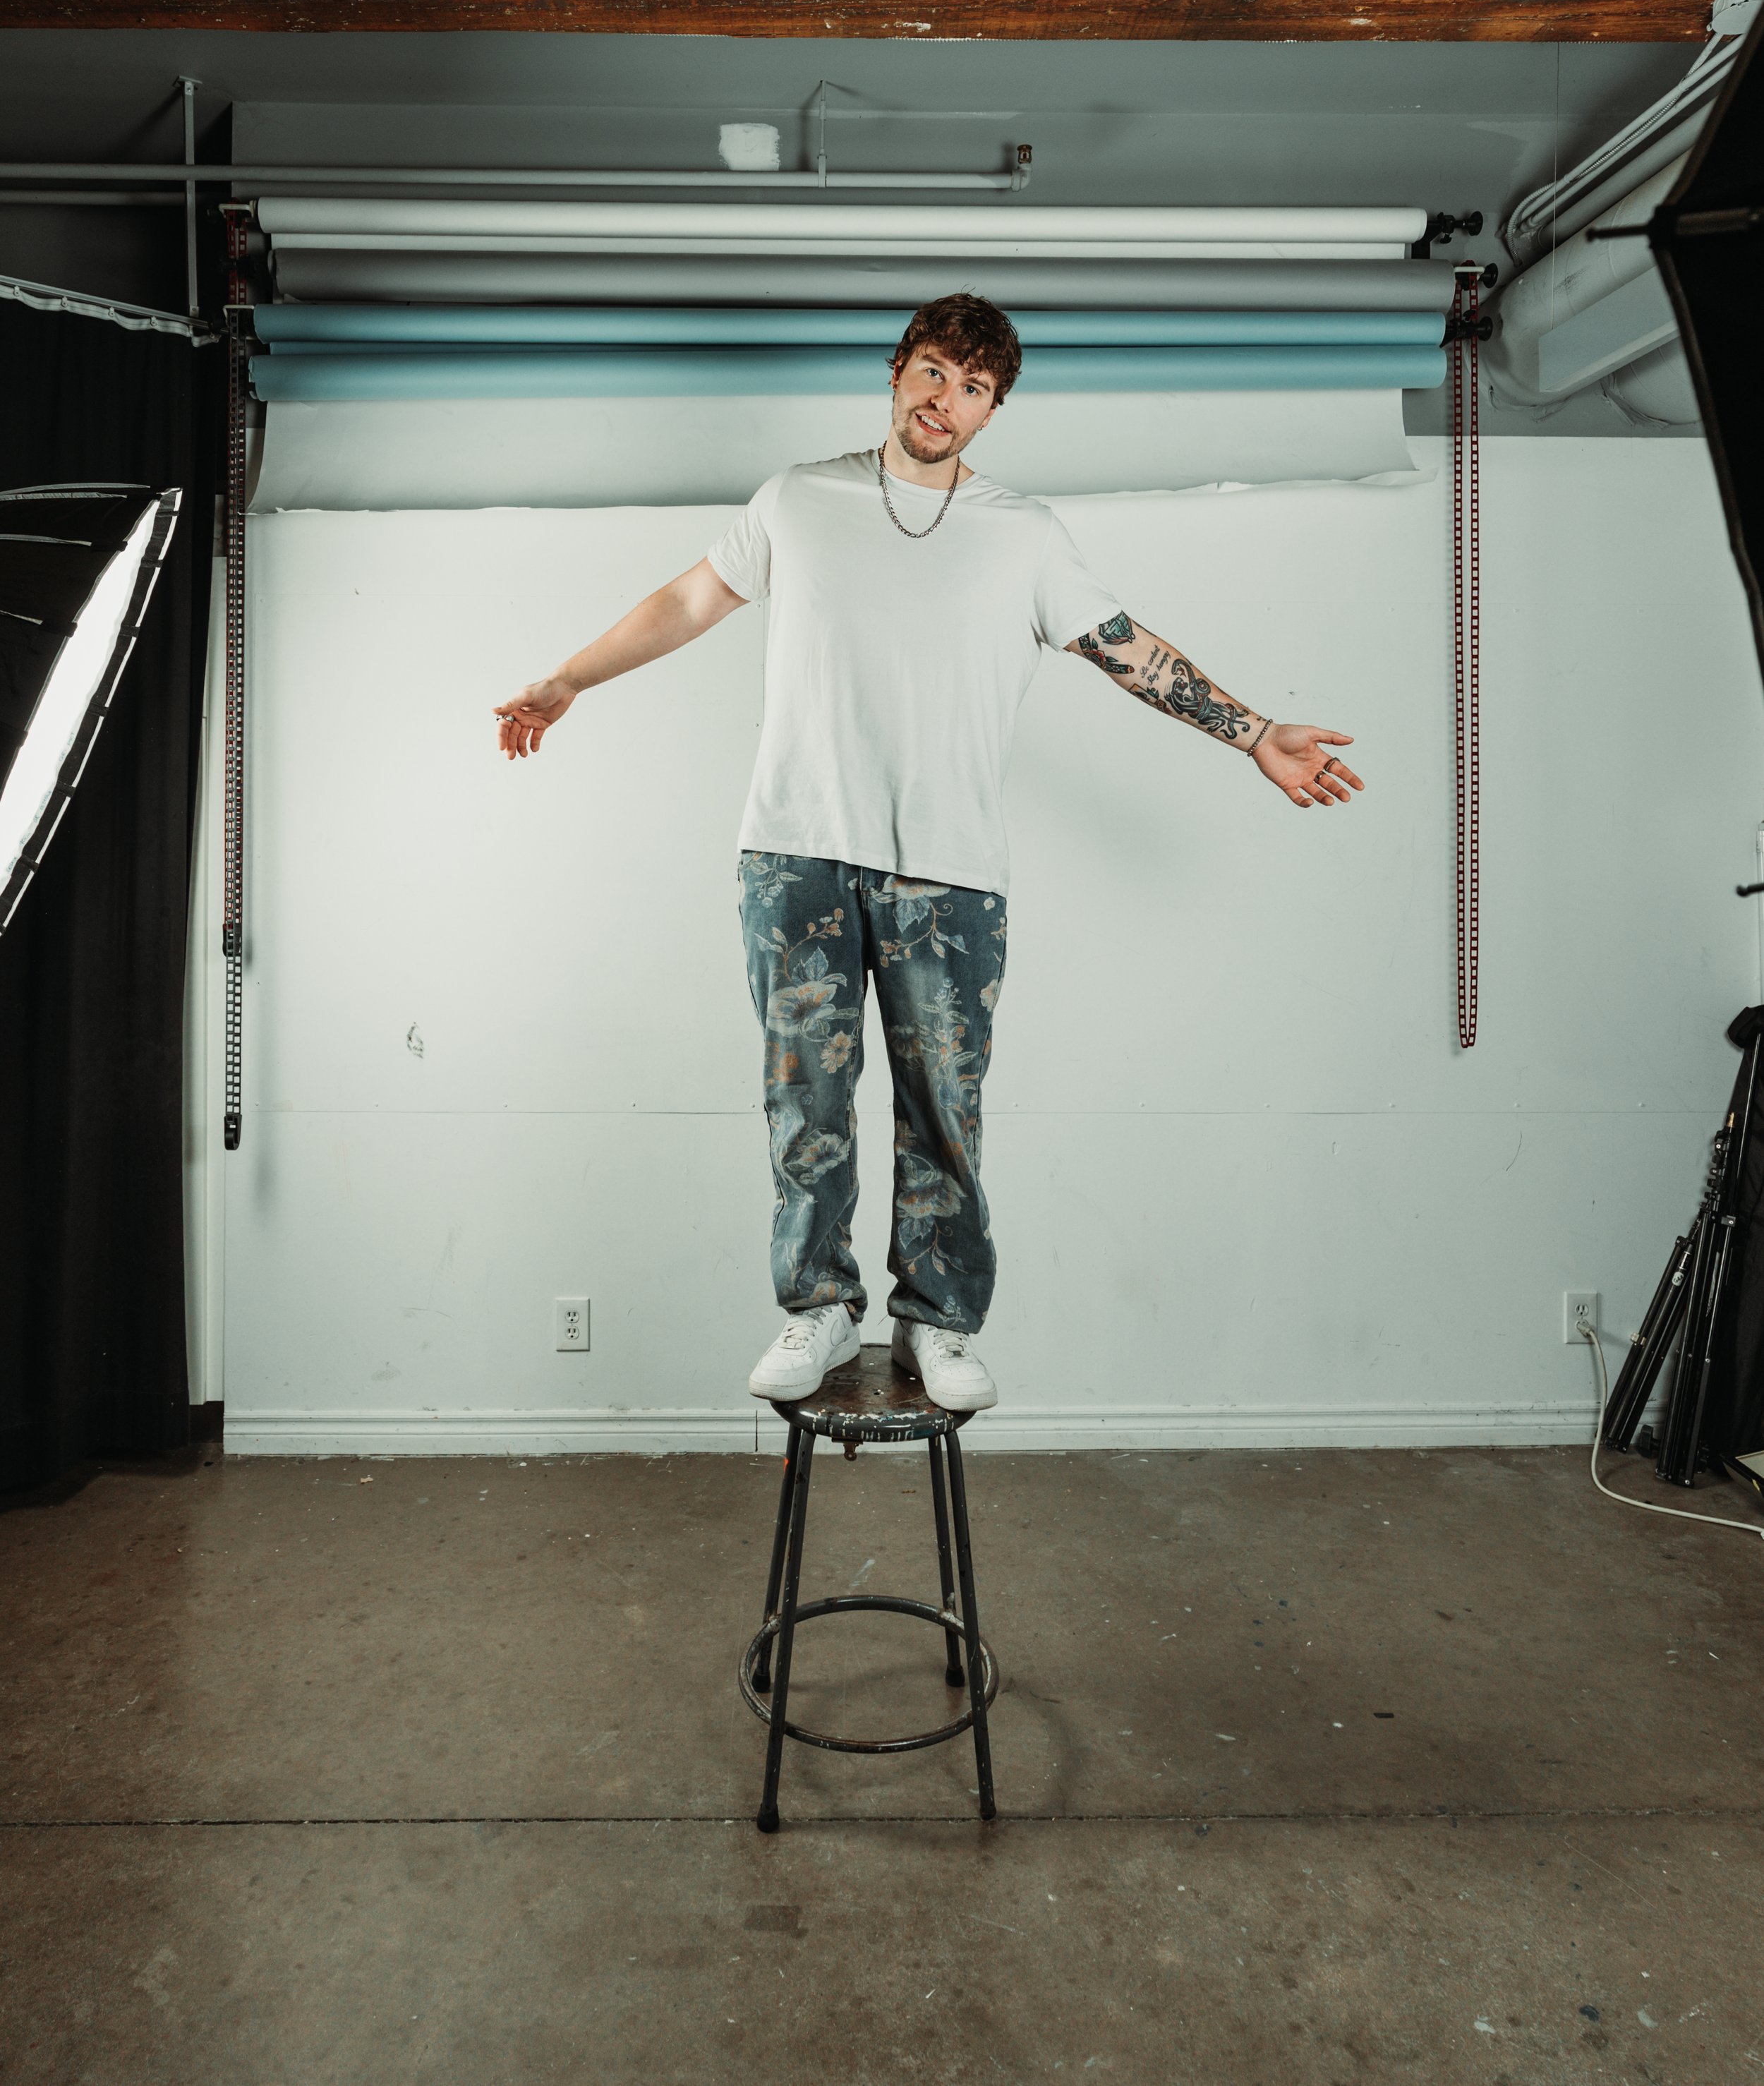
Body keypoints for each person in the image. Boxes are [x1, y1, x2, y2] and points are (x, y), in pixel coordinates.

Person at [493, 294, 1364, 1414]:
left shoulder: (1026, 534)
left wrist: (1254, 731)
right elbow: (690, 597)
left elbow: (1126, 649)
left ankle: (940, 1318)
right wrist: (568, 679)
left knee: (943, 1105)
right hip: (796, 850)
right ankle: (815, 1307)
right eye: (936, 371)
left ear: (993, 411)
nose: (946, 400)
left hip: (950, 871)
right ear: (900, 368)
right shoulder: (799, 498)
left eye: (974, 389)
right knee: (805, 1095)